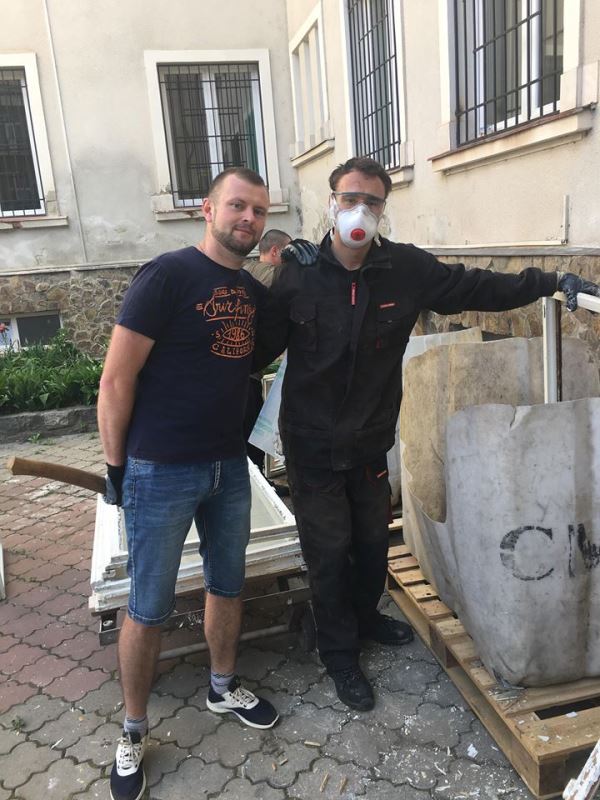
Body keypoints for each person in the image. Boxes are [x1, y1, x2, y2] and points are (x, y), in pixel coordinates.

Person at [257, 156, 600, 713]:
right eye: (350, 199)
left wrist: (549, 281)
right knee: (328, 550)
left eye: (372, 201)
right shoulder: (299, 272)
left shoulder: (405, 269)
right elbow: (256, 342)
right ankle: (339, 654)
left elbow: (475, 286)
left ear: (383, 209)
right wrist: (259, 277)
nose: (359, 210)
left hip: (370, 441)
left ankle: (366, 618)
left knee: (373, 543)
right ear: (331, 203)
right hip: (312, 445)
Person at [98, 167, 282, 800]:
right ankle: (133, 729)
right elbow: (116, 378)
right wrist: (116, 468)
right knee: (148, 606)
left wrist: (298, 274)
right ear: (207, 209)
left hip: (228, 467)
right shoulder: (167, 275)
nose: (248, 219)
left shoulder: (251, 293)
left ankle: (223, 686)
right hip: (160, 469)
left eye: (259, 211)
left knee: (227, 584)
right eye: (237, 206)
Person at [243, 229, 293, 471]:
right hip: (249, 371)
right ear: (275, 251)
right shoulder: (271, 274)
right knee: (250, 439)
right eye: (288, 252)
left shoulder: (246, 269)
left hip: (241, 367)